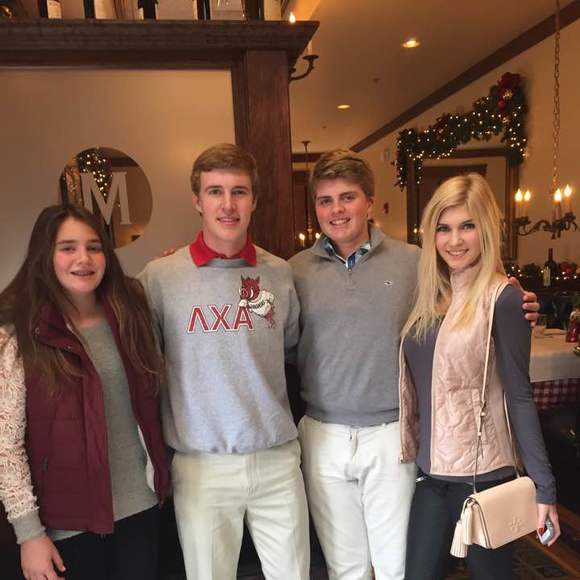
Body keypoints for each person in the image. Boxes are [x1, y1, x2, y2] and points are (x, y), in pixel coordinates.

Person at [289, 150, 539, 580]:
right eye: (325, 200)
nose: (337, 210)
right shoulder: (293, 271)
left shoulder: (414, 262)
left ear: (369, 201)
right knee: (344, 567)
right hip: (322, 432)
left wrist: (518, 301)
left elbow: (471, 293)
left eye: (348, 197)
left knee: (396, 567)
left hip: (392, 433)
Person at [138, 143, 309, 580]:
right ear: (198, 201)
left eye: (239, 192)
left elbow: (291, 348)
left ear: (254, 200)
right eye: (215, 191)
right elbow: (140, 360)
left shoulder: (279, 273)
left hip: (276, 459)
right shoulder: (160, 277)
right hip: (202, 465)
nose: (228, 204)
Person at [400, 173, 559, 579]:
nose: (454, 240)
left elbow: (519, 396)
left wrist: (544, 489)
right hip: (431, 475)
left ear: (486, 228)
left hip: (484, 477)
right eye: (444, 228)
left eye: (467, 226)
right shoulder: (430, 294)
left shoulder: (503, 297)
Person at [0, 205, 170, 580]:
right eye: (68, 248)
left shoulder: (130, 313)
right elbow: (6, 445)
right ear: (45, 256)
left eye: (94, 247)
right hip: (66, 528)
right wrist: (29, 534)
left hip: (140, 511)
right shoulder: (16, 331)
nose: (84, 259)